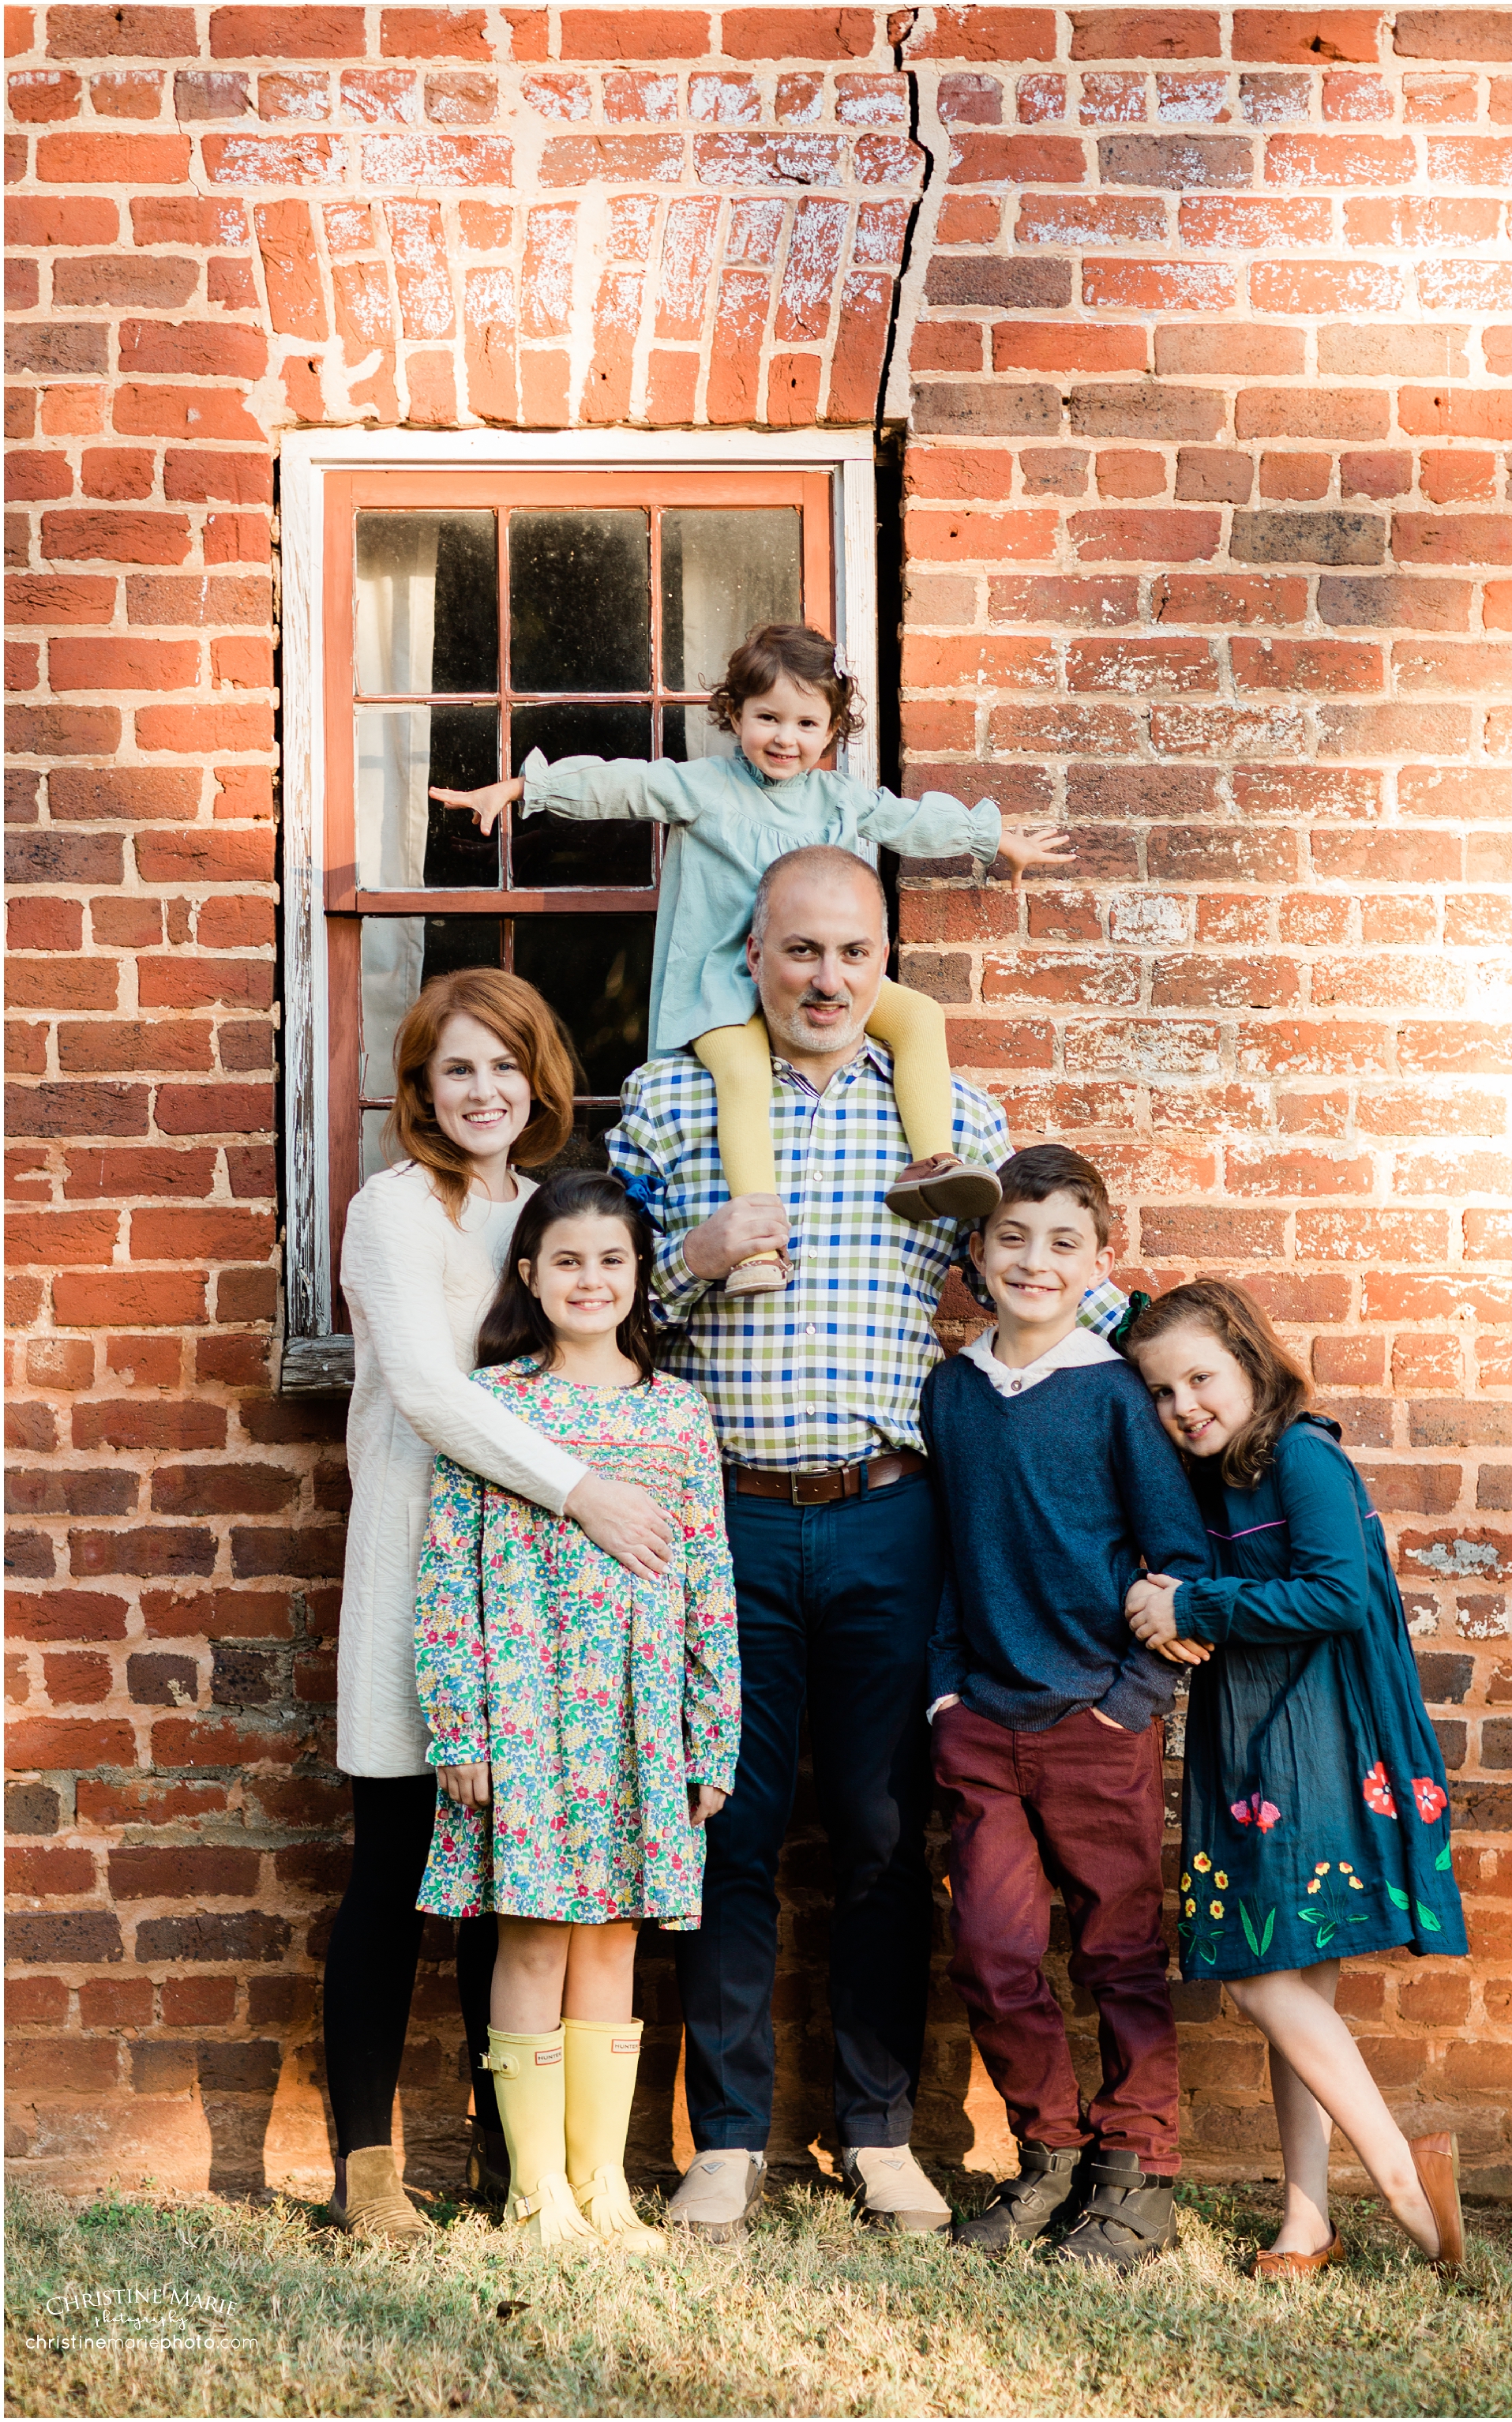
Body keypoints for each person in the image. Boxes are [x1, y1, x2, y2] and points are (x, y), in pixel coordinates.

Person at [606, 848, 1139, 2241]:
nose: (826, 978)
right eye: (799, 952)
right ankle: (723, 2136)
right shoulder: (670, 1108)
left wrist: (1195, 1370)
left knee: (888, 1833)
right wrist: (690, 1256)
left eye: (852, 953)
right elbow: (594, 1322)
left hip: (893, 1514)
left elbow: (1039, 1283)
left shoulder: (951, 1118)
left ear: (882, 965)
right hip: (721, 1512)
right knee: (727, 1822)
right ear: (753, 958)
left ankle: (877, 2128)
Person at [327, 969, 683, 2244]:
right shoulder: (391, 1208)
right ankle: (365, 2168)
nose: (483, 1090)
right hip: (416, 1566)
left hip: (536, 1608)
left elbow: (610, 1322)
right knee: (395, 1872)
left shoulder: (547, 1213)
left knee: (513, 1883)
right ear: (420, 1088)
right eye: (455, 1068)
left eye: (505, 1065)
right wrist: (586, 1487)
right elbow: (426, 1387)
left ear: (537, 1082)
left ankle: (511, 2163)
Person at [431, 621, 1072, 1291]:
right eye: (767, 717)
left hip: (810, 981)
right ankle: (759, 1244)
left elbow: (907, 820)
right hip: (722, 984)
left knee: (918, 1019)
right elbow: (622, 785)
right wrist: (523, 791)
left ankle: (932, 1162)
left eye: (805, 723)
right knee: (743, 1078)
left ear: (831, 731)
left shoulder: (837, 799)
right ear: (734, 714)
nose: (784, 739)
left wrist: (993, 839)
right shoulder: (703, 787)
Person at [413, 1170, 740, 2257]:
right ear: (530, 1275)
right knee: (534, 1932)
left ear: (641, 1274)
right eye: (567, 1259)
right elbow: (446, 1568)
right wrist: (459, 1724)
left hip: (640, 1720)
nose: (590, 1278)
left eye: (611, 1259)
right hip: (526, 1710)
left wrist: (713, 1726)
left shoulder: (678, 1412)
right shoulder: (494, 1404)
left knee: (612, 1936)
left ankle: (600, 2185)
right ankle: (533, 2190)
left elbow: (709, 1579)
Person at [1125, 1279, 1469, 2281]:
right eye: (1160, 1390)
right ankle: (1303, 2218)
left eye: (1200, 1376)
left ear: (1248, 1358)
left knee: (1264, 1970)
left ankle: (1401, 2172)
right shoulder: (1218, 1468)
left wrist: (1192, 1599)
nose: (1183, 1403)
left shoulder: (1298, 1453)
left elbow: (1335, 1590)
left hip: (1320, 1733)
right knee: (1301, 1983)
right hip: (1250, 1734)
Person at [920, 1146, 1211, 2272]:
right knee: (994, 1952)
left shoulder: (1115, 1396)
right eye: (1012, 1237)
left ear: (1100, 1259)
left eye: (1062, 1242)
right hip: (983, 1722)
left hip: (1096, 1722)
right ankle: (1048, 2155)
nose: (1034, 1260)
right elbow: (948, 1549)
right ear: (976, 1256)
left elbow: (1176, 1557)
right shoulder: (954, 1390)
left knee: (1120, 1951)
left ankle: (1139, 2173)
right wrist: (947, 1691)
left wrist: (1127, 1699)